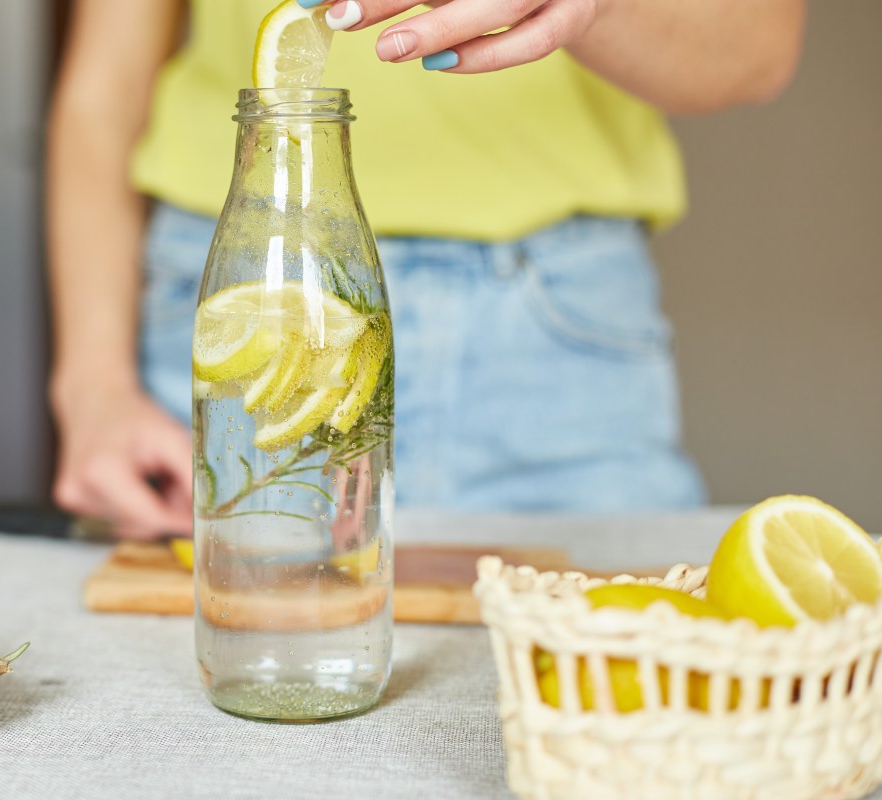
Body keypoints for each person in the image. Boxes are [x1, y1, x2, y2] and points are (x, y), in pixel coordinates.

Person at [46, 0, 806, 540]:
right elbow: (101, 94)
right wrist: (94, 388)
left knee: (637, 695)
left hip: (554, 333)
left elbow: (757, 50)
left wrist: (591, 7)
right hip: (253, 309)